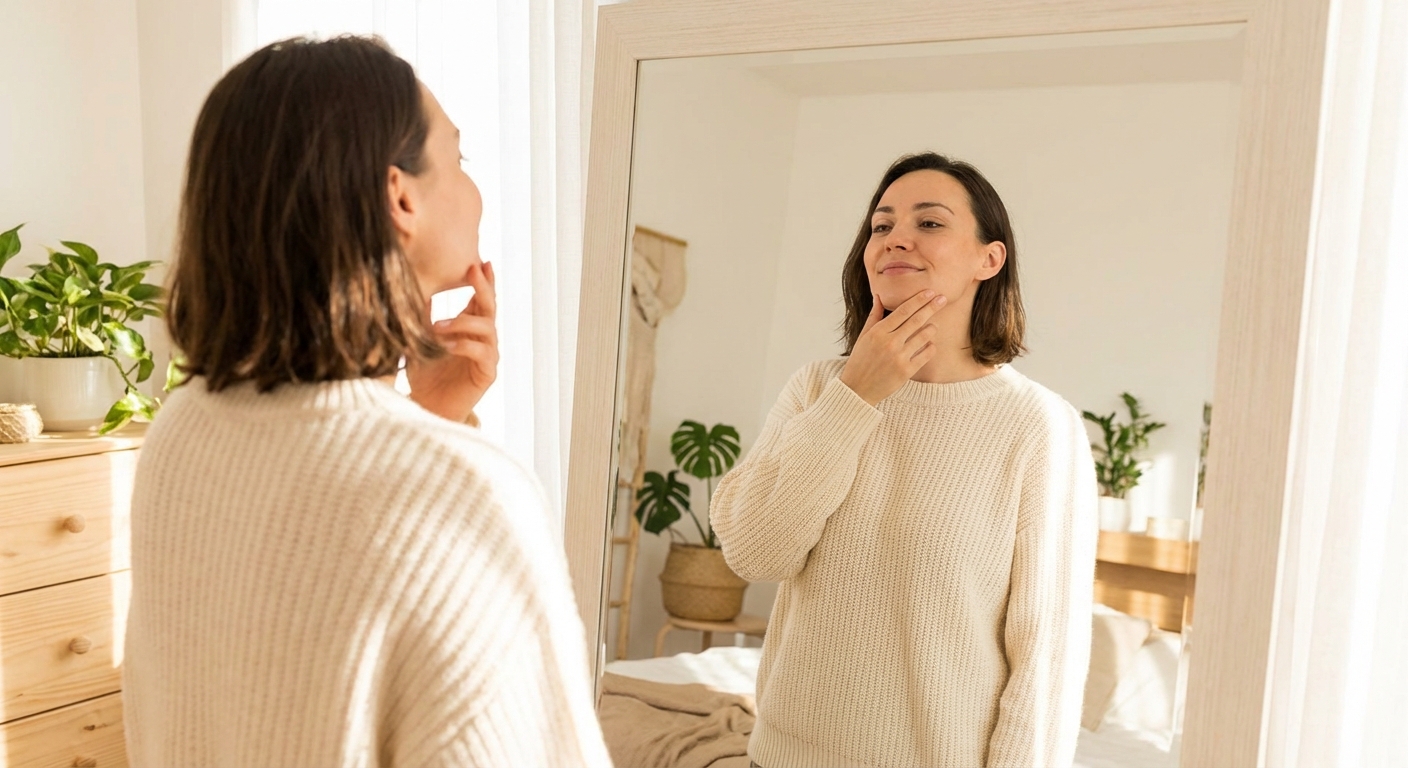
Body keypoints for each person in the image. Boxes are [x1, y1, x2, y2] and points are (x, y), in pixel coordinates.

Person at [123, 36, 610, 767]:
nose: (474, 188)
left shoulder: (182, 430)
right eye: (460, 159)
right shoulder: (464, 494)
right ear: (400, 196)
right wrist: (432, 441)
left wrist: (426, 418)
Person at [711, 152, 1098, 768]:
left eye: (930, 222)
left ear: (989, 260)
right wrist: (854, 397)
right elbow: (755, 553)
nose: (896, 239)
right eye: (882, 225)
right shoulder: (817, 389)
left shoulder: (1039, 426)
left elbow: (1046, 657)